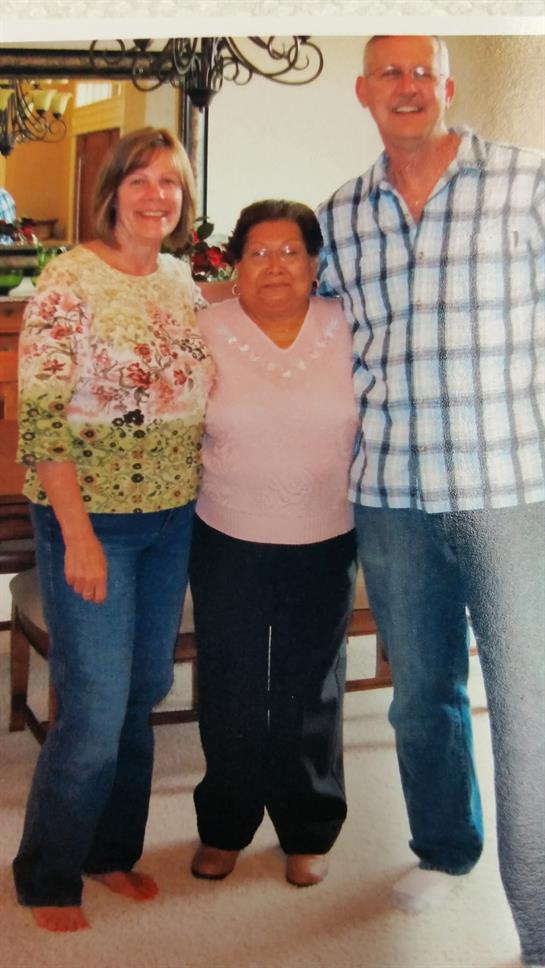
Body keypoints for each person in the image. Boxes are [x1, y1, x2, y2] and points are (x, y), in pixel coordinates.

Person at [316, 34, 544, 967]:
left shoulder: (525, 182)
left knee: (526, 712)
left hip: (510, 490)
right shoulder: (339, 213)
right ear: (363, 91)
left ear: (445, 86)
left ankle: (535, 934)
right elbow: (315, 338)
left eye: (424, 72)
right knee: (420, 698)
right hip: (392, 492)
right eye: (390, 73)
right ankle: (445, 849)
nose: (408, 87)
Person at [12, 127, 214, 933]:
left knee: (144, 690)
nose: (156, 195)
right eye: (140, 180)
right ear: (112, 191)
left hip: (171, 516)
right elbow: (38, 420)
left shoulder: (178, 278)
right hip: (88, 518)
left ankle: (111, 852)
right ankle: (47, 872)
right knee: (94, 706)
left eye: (171, 182)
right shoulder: (68, 279)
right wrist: (77, 534)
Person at [188, 199, 358, 887]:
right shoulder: (205, 328)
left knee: (309, 686)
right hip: (226, 531)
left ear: (316, 263)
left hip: (325, 534)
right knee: (229, 681)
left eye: (291, 251)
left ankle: (308, 827)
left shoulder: (349, 325)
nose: (275, 266)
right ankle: (225, 824)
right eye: (258, 252)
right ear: (234, 264)